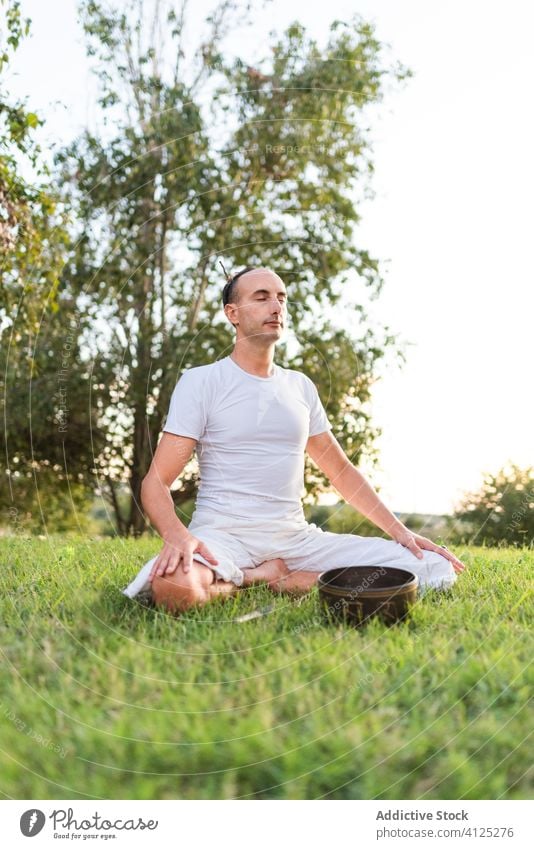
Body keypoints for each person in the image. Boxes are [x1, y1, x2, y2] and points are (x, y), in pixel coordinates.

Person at [122, 266, 466, 612]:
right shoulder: (202, 382)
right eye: (262, 297)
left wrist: (401, 534)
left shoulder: (300, 386)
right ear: (233, 313)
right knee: (173, 588)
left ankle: (288, 577)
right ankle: (259, 577)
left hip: (296, 539)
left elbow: (342, 473)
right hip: (223, 535)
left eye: (281, 298)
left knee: (435, 568)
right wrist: (179, 536)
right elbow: (156, 483)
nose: (276, 306)